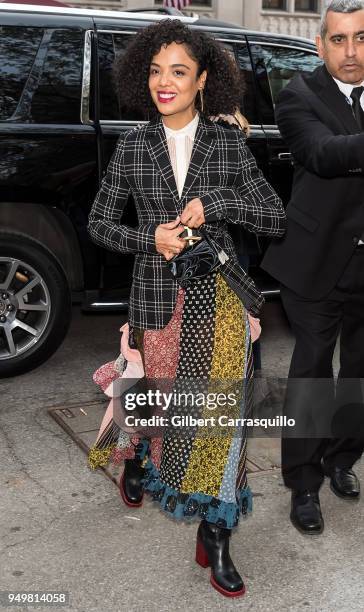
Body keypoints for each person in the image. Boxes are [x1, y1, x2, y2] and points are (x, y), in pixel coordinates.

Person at [88, 19, 285, 597]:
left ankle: (217, 533)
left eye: (179, 72)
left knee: (220, 429)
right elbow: (99, 223)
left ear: (203, 81)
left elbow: (274, 216)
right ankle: (134, 459)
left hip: (221, 301)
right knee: (162, 418)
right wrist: (150, 238)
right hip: (157, 304)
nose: (164, 83)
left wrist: (216, 203)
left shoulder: (227, 142)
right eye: (155, 71)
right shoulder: (133, 145)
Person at [262, 0, 364, 536]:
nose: (351, 52)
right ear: (321, 44)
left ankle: (342, 460)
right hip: (316, 259)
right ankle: (303, 484)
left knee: (360, 375)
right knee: (312, 374)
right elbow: (324, 154)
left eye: (362, 39)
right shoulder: (298, 95)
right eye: (339, 40)